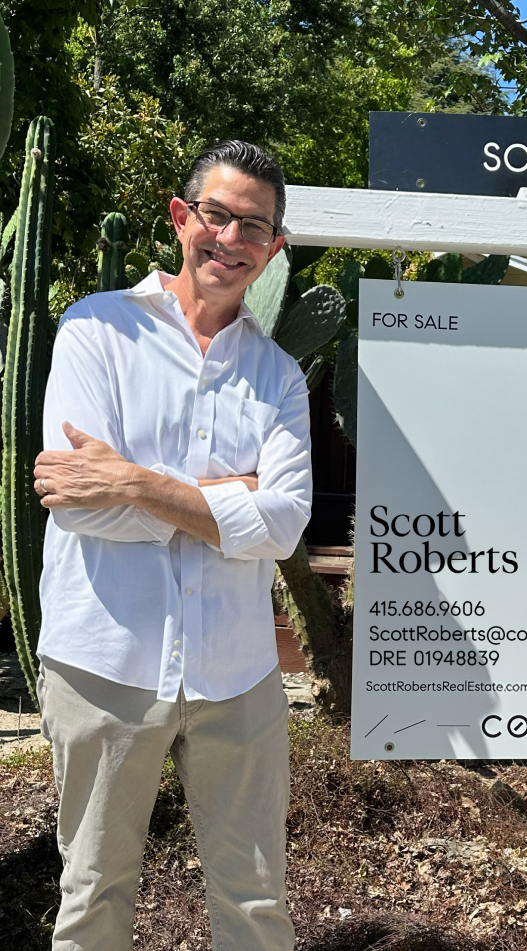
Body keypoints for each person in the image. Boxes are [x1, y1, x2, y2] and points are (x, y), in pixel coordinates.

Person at [32, 140, 309, 951]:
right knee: (93, 891)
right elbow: (79, 507)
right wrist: (231, 499)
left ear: (273, 249)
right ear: (182, 217)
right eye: (216, 215)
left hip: (238, 672)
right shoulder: (97, 330)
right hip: (104, 662)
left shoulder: (278, 376)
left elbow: (284, 523)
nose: (230, 239)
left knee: (255, 902)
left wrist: (132, 480)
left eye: (252, 227)